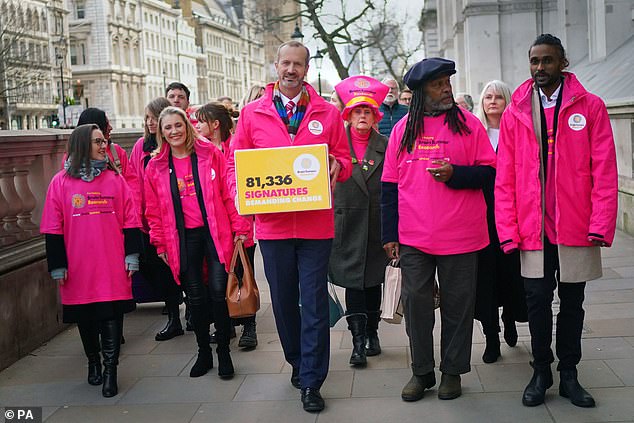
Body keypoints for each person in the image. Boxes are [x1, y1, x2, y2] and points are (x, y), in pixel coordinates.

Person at [227, 40, 351, 413]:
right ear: (276, 66)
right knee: (283, 303)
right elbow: (235, 165)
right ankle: (298, 361)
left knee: (313, 302)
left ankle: (313, 380)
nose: (291, 70)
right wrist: (239, 195)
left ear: (306, 69)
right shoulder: (251, 114)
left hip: (315, 226)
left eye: (298, 64)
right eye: (286, 63)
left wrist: (337, 168)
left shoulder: (328, 113)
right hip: (273, 226)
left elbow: (343, 158)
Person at [495, 34, 618, 408]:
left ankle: (569, 373)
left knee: (572, 301)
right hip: (533, 227)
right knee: (535, 301)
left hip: (576, 224)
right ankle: (541, 370)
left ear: (562, 63)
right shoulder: (516, 111)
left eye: (547, 61)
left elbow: (605, 169)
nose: (540, 68)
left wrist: (601, 223)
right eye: (534, 61)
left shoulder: (590, 106)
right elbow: (506, 177)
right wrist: (507, 229)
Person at [381, 58, 496, 402]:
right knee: (416, 305)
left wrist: (456, 175)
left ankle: (452, 372)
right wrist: (390, 235)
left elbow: (491, 174)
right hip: (415, 238)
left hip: (462, 236)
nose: (446, 88)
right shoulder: (402, 131)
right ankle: (421, 371)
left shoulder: (470, 125)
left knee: (458, 306)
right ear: (419, 92)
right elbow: (389, 186)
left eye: (447, 82)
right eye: (438, 84)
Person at [144, 107, 250, 379]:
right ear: (161, 132)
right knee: (195, 298)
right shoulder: (155, 167)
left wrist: (240, 226)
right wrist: (160, 244)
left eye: (178, 125)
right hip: (181, 239)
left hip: (215, 233)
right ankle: (203, 352)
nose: (174, 131)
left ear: (187, 126)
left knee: (218, 292)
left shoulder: (209, 154)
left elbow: (228, 192)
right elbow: (153, 210)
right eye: (168, 127)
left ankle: (224, 352)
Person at [41, 124, 142, 397]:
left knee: (111, 315)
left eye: (103, 142)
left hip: (111, 264)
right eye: (97, 142)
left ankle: (111, 370)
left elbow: (131, 221)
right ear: (82, 145)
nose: (103, 146)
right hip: (77, 266)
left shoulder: (115, 180)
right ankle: (94, 362)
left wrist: (132, 256)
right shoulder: (59, 183)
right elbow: (52, 227)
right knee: (85, 318)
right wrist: (58, 265)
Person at [328, 75, 390, 367]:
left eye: (367, 111)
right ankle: (357, 342)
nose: (362, 116)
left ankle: (373, 333)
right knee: (354, 283)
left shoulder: (387, 145)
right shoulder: (334, 146)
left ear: (375, 116)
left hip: (377, 224)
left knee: (373, 282)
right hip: (346, 225)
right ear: (348, 116)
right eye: (357, 112)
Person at [471, 80, 527, 363]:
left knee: (511, 274)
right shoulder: (474, 131)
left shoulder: (516, 130)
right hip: (479, 217)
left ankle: (509, 320)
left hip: (509, 214)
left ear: (507, 102)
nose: (492, 101)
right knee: (484, 280)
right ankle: (491, 337)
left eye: (499, 97)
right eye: (488, 97)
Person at [195, 102, 257, 349]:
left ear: (215, 124)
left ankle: (249, 326)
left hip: (241, 226)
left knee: (244, 277)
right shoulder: (202, 151)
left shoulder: (235, 148)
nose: (197, 126)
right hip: (218, 229)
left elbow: (242, 188)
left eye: (201, 121)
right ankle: (228, 324)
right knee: (222, 278)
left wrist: (242, 229)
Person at [128, 97, 185, 342]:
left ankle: (190, 309)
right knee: (156, 268)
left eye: (154, 117)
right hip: (149, 219)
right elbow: (133, 181)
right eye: (147, 118)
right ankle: (173, 316)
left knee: (185, 267)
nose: (150, 122)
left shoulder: (173, 143)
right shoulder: (141, 146)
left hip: (177, 218)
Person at [76, 108, 129, 176]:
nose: (110, 128)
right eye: (106, 124)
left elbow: (132, 182)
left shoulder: (117, 151)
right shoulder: (71, 158)